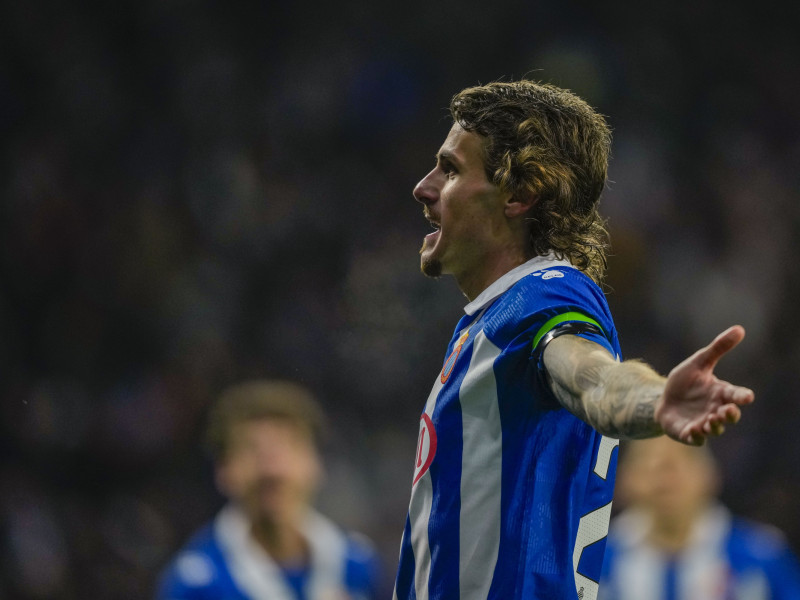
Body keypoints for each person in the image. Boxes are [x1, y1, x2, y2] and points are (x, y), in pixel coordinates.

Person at [392, 80, 755, 600]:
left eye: (451, 169)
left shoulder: (545, 298)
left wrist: (652, 401)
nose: (424, 187)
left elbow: (590, 376)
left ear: (518, 195)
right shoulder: (496, 316)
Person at [156, 379, 383, 600]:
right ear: (223, 471)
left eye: (289, 446)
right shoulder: (195, 583)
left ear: (316, 464)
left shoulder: (357, 562)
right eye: (252, 450)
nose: (273, 469)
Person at [599, 437, 800, 599]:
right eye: (647, 458)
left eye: (685, 455)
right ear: (625, 478)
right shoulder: (597, 560)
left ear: (711, 472)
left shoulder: (762, 555)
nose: (665, 473)